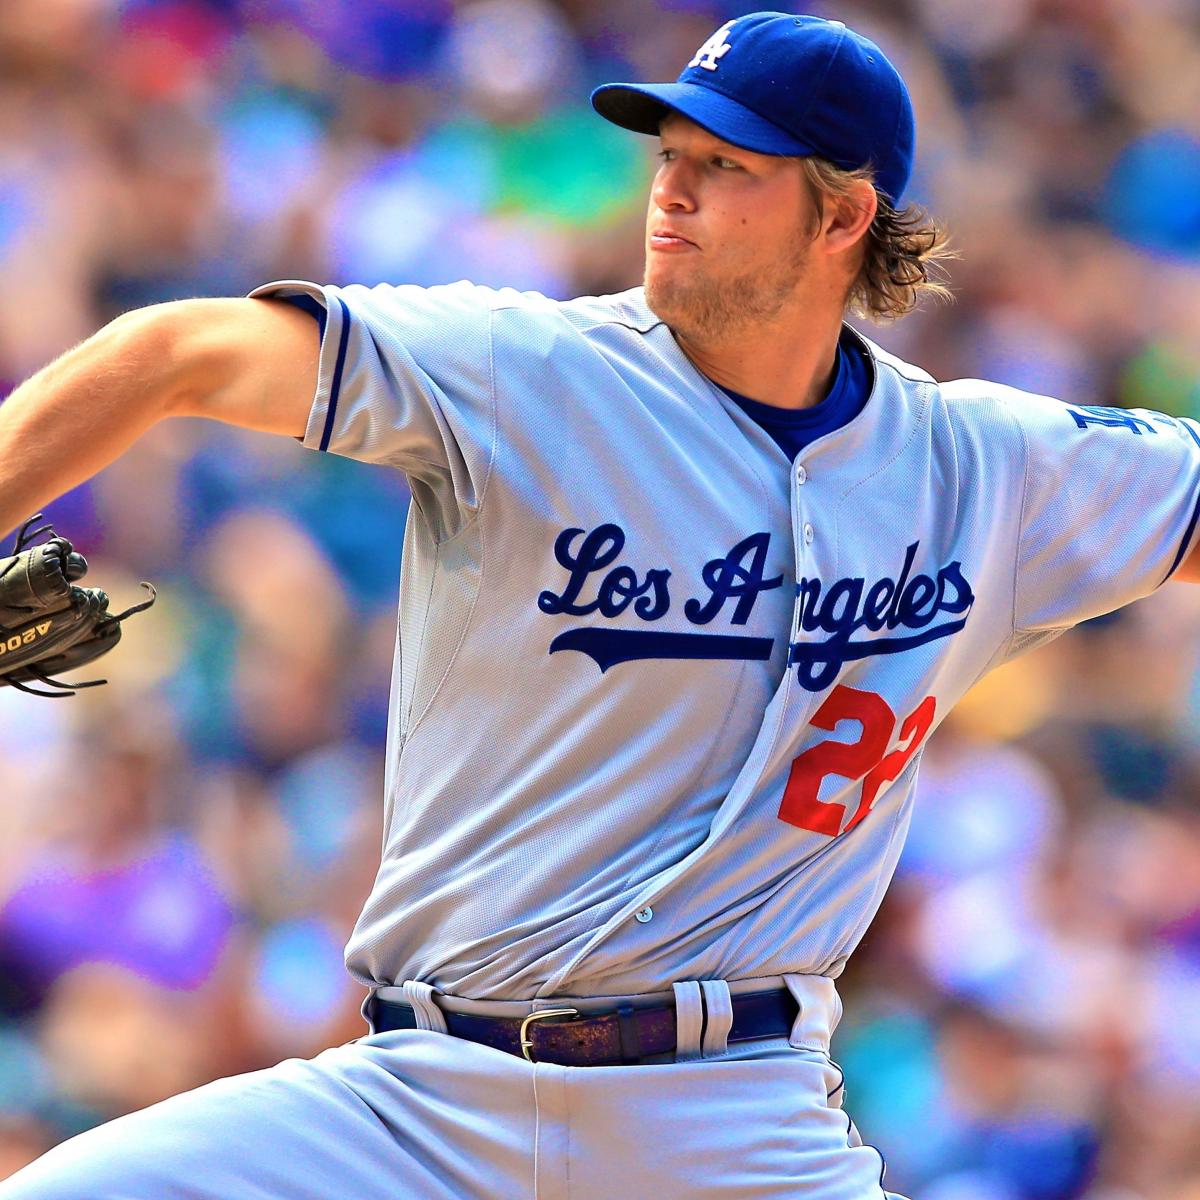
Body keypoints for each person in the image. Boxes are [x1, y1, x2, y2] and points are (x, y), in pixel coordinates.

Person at [1, 11, 1198, 1199]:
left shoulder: (983, 469)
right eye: (668, 154)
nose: (670, 190)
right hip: (422, 1103)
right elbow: (177, 352)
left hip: (735, 1118)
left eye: (724, 166)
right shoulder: (525, 373)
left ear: (843, 215)